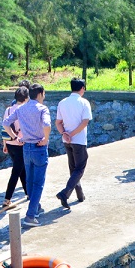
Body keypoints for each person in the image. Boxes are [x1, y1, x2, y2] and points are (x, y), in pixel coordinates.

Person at [3, 83, 51, 227]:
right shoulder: (42, 109)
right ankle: (30, 215)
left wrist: (14, 137)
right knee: (38, 183)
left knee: (29, 180)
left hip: (26, 148)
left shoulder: (21, 108)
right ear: (41, 93)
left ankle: (35, 207)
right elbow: (47, 125)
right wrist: (46, 139)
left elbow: (5, 123)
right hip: (39, 147)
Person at [55, 78, 92, 210]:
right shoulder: (84, 102)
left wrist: (64, 134)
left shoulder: (62, 102)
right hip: (79, 140)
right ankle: (65, 193)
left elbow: (58, 122)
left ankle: (80, 195)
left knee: (73, 168)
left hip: (67, 141)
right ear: (82, 88)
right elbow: (85, 122)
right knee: (80, 168)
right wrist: (73, 134)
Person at [1, 86, 29, 207]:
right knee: (16, 172)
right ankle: (7, 199)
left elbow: (4, 128)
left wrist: (5, 143)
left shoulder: (8, 110)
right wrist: (17, 137)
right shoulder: (25, 110)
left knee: (21, 170)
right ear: (27, 98)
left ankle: (29, 193)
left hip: (10, 144)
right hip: (20, 144)